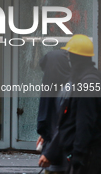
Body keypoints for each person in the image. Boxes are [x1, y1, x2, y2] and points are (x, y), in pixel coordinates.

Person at [41, 34, 101, 174]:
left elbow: (84, 123)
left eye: (69, 56)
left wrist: (78, 157)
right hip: (84, 156)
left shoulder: (88, 83)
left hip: (87, 159)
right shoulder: (86, 79)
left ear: (75, 58)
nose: (68, 60)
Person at [37, 49, 70, 174]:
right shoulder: (58, 87)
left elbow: (66, 126)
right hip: (56, 156)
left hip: (62, 158)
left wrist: (50, 153)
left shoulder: (67, 91)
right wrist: (45, 133)